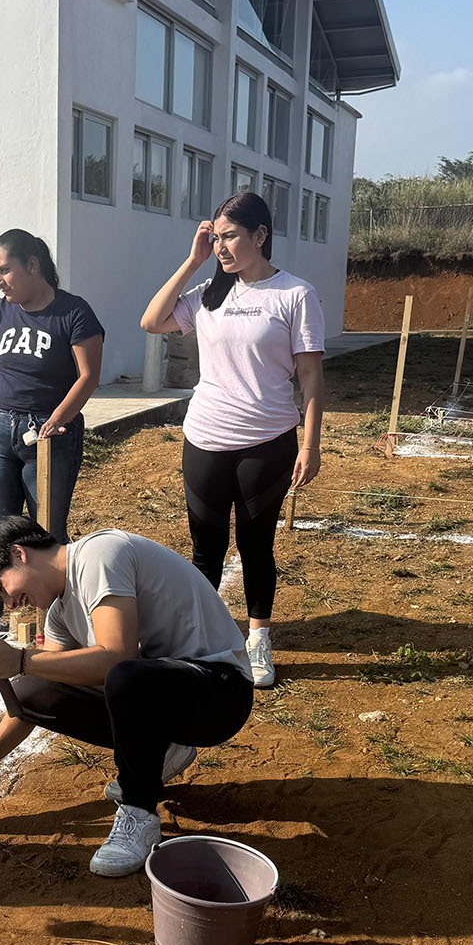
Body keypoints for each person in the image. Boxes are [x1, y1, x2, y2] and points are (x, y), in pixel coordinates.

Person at [0, 517, 255, 877]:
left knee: (124, 675)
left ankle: (139, 813)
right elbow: (42, 693)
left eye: (1, 587)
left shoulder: (98, 554)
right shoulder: (60, 613)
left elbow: (118, 656)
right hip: (170, 695)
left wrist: (21, 659)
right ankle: (163, 750)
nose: (8, 604)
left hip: (221, 692)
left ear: (19, 554)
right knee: (34, 688)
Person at [140, 192, 325, 689]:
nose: (221, 246)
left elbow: (309, 375)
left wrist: (311, 443)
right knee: (205, 548)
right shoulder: (208, 294)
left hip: (267, 441)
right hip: (204, 437)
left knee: (255, 544)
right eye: (215, 237)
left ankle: (258, 637)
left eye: (230, 237)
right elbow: (152, 321)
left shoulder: (295, 295)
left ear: (260, 235)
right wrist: (193, 259)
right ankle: (202, 637)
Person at [0, 229, 103, 635]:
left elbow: (89, 376)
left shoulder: (74, 313)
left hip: (50, 437)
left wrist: (57, 418)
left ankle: (55, 621)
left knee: (46, 533)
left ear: (33, 265)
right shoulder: (0, 312)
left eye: (5, 270)